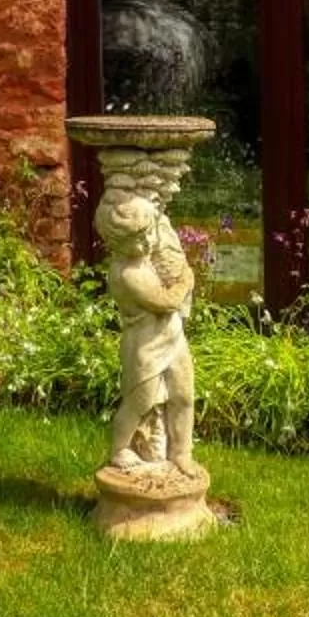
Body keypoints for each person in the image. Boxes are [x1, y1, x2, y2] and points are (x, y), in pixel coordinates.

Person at [95, 184, 199, 476]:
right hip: (146, 346)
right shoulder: (128, 274)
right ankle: (118, 449)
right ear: (115, 243)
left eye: (147, 234)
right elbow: (166, 301)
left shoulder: (146, 256)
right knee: (140, 401)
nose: (145, 244)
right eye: (135, 241)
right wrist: (187, 279)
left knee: (184, 395)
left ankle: (182, 453)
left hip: (173, 338)